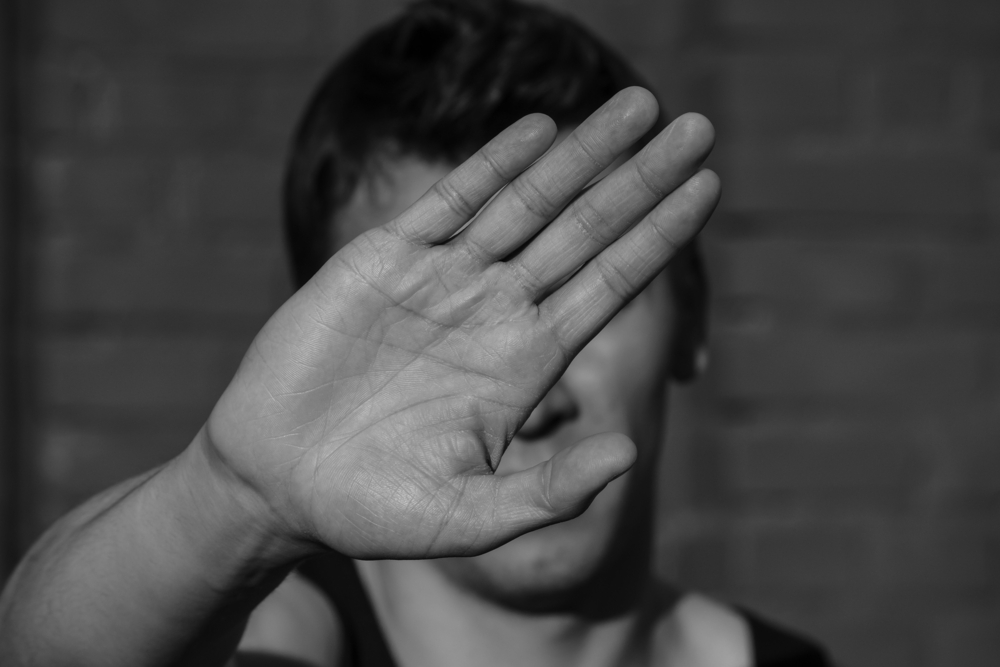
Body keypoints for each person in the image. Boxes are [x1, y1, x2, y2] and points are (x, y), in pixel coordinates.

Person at [0, 1, 831, 666]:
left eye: (581, 300)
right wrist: (234, 496)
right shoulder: (292, 633)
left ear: (693, 320)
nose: (531, 406)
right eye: (432, 343)